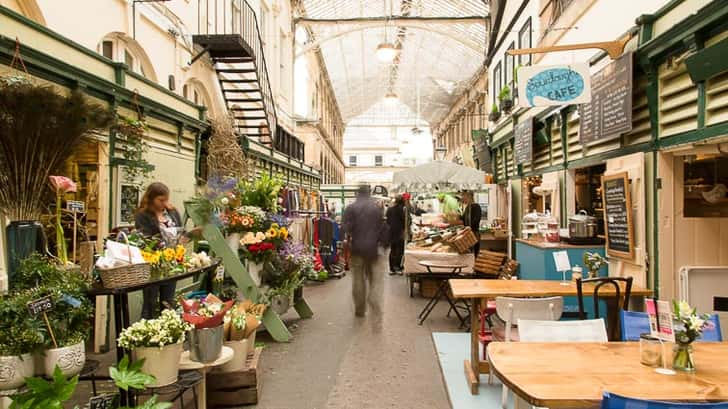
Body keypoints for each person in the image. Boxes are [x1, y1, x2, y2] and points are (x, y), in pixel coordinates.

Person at [135, 182, 183, 319]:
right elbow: (145, 238)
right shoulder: (143, 215)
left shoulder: (171, 213)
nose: (164, 203)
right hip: (153, 264)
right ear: (151, 198)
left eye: (166, 199)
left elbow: (179, 229)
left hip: (170, 262)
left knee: (167, 302)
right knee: (149, 302)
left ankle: (168, 332)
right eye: (161, 200)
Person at [342, 185, 389, 318]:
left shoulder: (351, 208)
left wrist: (351, 233)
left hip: (356, 249)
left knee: (358, 280)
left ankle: (360, 309)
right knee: (373, 278)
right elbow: (383, 228)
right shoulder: (376, 208)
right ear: (369, 193)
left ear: (357, 193)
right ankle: (373, 298)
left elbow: (345, 227)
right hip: (372, 249)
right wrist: (383, 245)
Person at [386, 195, 406, 275]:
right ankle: (398, 267)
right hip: (399, 232)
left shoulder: (389, 209)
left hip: (391, 232)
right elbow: (404, 221)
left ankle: (391, 269)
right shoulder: (402, 209)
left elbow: (387, 220)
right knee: (400, 250)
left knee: (392, 250)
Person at [460, 191, 482, 256]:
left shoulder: (476, 206)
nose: (462, 198)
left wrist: (469, 227)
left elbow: (476, 220)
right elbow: (463, 219)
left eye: (464, 196)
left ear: (469, 196)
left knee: (474, 253)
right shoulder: (467, 207)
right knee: (468, 254)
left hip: (474, 234)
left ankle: (473, 265)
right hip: (467, 234)